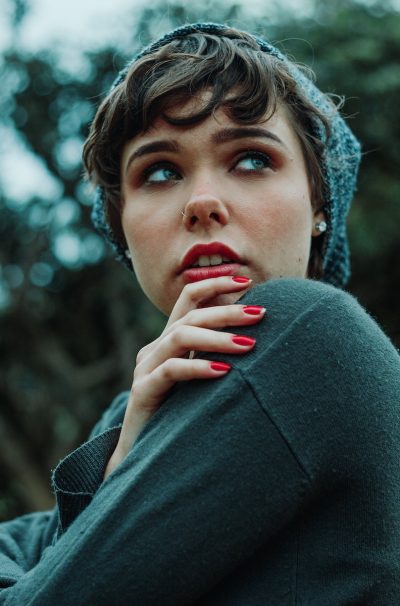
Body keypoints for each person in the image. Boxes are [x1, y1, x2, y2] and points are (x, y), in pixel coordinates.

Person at [1, 22, 399, 606]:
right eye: (160, 171)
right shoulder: (130, 413)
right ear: (122, 230)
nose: (202, 202)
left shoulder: (312, 335)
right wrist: (116, 469)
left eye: (252, 159)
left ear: (319, 201)